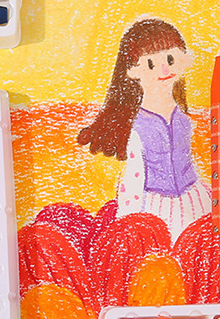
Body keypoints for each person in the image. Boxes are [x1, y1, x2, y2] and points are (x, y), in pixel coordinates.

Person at [78, 17, 210, 240]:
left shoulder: (183, 119)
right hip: (155, 206)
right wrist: (127, 221)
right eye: (150, 64)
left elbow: (192, 162)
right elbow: (134, 174)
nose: (164, 69)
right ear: (132, 71)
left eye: (170, 59)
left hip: (193, 199)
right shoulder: (137, 125)